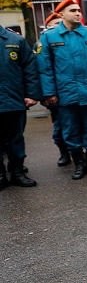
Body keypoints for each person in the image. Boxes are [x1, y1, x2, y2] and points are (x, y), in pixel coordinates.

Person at [36, 0, 87, 180]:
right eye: (73, 11)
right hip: (65, 94)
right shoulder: (49, 37)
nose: (78, 13)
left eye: (79, 10)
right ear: (61, 14)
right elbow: (45, 68)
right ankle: (78, 164)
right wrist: (50, 93)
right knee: (70, 131)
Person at [0, 14, 40, 189]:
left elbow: (30, 69)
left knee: (16, 139)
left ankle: (17, 172)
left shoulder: (15, 40)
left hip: (13, 100)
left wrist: (31, 94)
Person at [39, 12, 71, 167]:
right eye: (55, 23)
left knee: (75, 125)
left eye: (61, 22)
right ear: (48, 26)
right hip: (56, 95)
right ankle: (64, 153)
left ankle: (79, 152)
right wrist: (46, 94)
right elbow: (42, 70)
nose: (59, 26)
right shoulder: (42, 43)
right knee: (59, 126)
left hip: (71, 92)